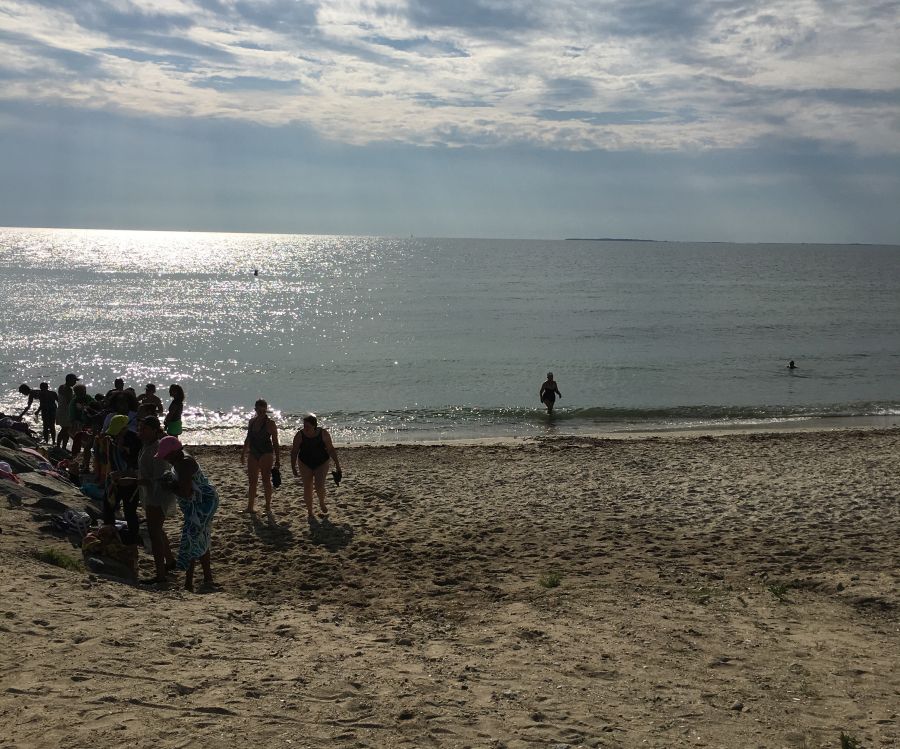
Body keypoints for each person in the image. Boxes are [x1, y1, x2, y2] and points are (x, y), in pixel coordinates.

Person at [155, 436, 219, 592]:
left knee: (191, 540)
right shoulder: (181, 458)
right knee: (201, 537)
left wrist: (169, 486)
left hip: (202, 504)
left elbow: (186, 492)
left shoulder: (183, 464)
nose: (167, 460)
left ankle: (188, 584)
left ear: (175, 452)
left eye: (167, 456)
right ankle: (207, 578)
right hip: (205, 501)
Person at [136, 416, 176, 584]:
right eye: (140, 428)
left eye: (144, 429)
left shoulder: (158, 448)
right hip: (150, 493)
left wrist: (135, 481)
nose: (141, 432)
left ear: (154, 430)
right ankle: (170, 561)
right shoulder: (146, 445)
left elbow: (160, 477)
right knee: (157, 529)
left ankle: (160, 574)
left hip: (159, 495)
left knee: (154, 532)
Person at [291, 413, 341, 524]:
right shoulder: (299, 435)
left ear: (314, 426)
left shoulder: (323, 434)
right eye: (304, 426)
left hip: (322, 462)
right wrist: (293, 466)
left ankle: (322, 502)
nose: (306, 428)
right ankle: (310, 511)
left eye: (308, 426)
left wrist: (337, 465)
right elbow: (294, 451)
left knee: (319, 485)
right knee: (307, 486)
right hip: (305, 462)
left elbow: (331, 449)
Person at [104, 414, 143, 543]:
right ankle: (109, 532)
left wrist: (122, 473)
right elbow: (111, 460)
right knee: (108, 506)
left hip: (131, 482)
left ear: (124, 429)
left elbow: (136, 467)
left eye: (118, 434)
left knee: (129, 511)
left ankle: (133, 538)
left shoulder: (134, 442)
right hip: (116, 481)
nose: (115, 436)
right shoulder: (112, 440)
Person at [240, 399, 280, 514]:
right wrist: (243, 453)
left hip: (266, 453)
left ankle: (267, 507)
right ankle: (250, 507)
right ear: (255, 409)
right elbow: (248, 438)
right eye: (259, 409)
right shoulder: (252, 422)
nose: (261, 412)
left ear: (266, 410)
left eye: (264, 410)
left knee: (266, 480)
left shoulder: (270, 423)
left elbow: (275, 442)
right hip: (253, 452)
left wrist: (278, 459)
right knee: (252, 481)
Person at [56, 373, 79, 450]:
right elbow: (70, 402)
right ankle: (59, 446)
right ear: (69, 380)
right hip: (66, 412)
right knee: (65, 430)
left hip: (60, 411)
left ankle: (62, 447)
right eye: (74, 380)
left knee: (66, 430)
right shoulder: (68, 389)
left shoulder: (61, 387)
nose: (75, 382)